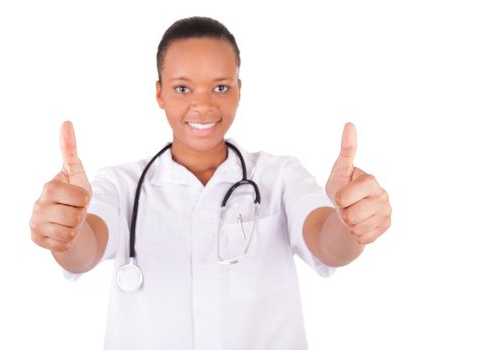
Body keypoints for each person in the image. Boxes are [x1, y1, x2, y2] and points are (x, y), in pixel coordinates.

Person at [29, 16, 392, 350]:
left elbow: (328, 244)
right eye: (183, 89)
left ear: (239, 89)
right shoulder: (122, 184)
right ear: (159, 94)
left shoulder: (279, 176)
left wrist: (349, 223)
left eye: (220, 87)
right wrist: (67, 233)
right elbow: (84, 251)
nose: (203, 106)